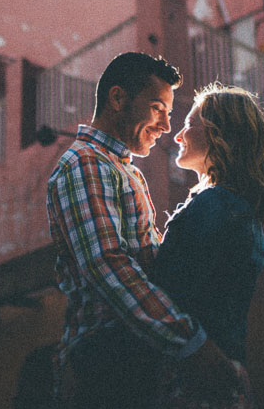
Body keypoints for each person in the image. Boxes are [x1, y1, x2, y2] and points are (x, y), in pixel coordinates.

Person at [46, 52, 239, 409]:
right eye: (157, 108)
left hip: (130, 358)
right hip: (104, 363)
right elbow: (107, 265)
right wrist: (191, 342)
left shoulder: (125, 171)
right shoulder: (85, 163)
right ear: (117, 98)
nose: (167, 126)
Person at [150, 83, 264, 408]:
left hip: (193, 381)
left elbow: (169, 293)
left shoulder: (215, 206)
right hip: (226, 375)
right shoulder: (242, 212)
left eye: (189, 125)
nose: (178, 136)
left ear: (218, 134)